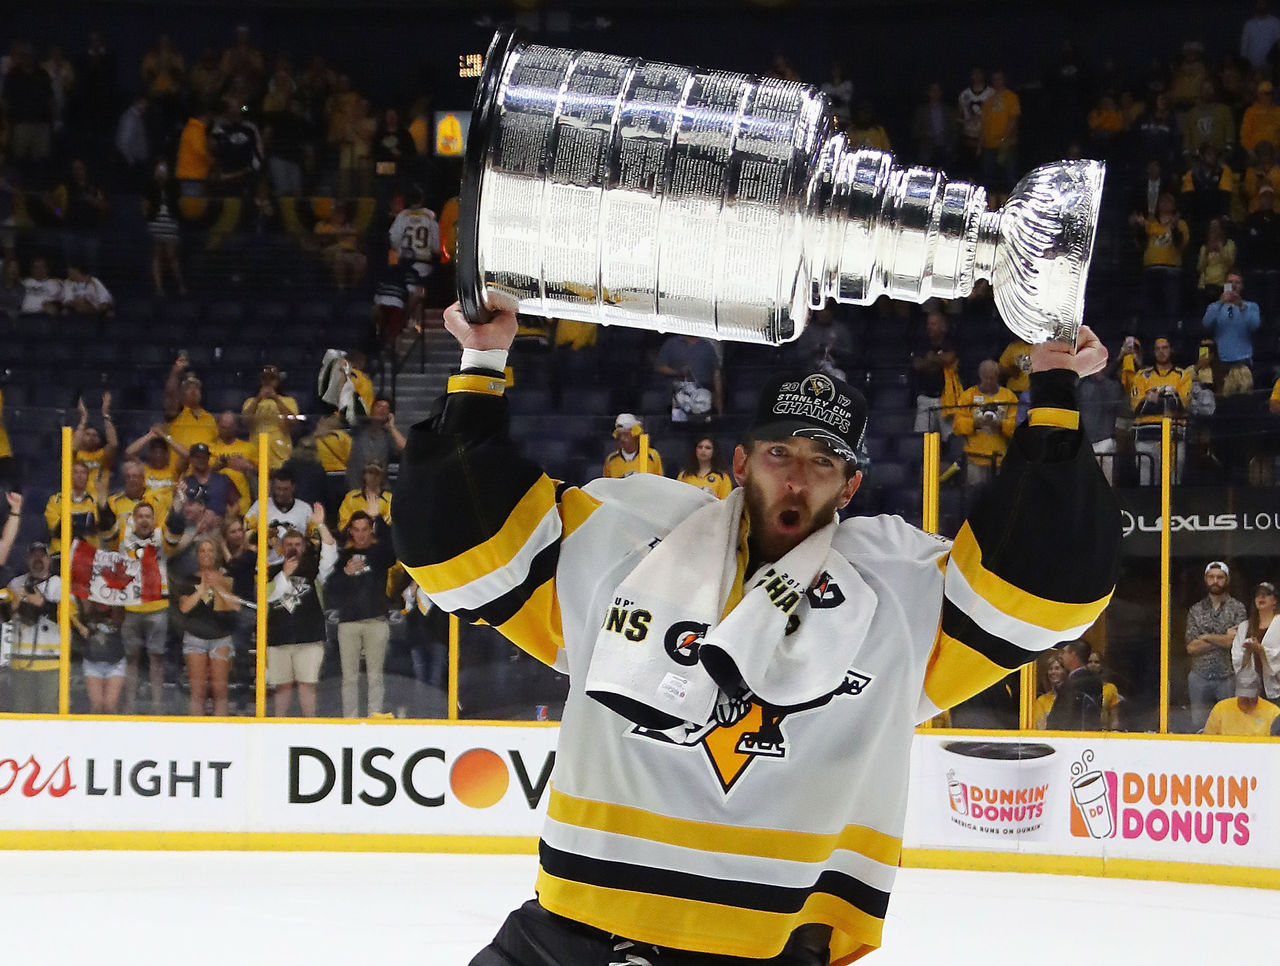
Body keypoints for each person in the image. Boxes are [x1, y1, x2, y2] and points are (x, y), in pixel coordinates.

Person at [392, 299, 1118, 965]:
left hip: (768, 944)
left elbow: (1043, 591)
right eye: (780, 455)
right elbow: (461, 547)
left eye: (823, 462)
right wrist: (483, 361)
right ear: (741, 463)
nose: (798, 481)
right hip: (583, 926)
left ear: (851, 487)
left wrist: (1053, 391)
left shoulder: (893, 592)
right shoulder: (629, 538)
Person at [266, 507, 335, 717]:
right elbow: (268, 596)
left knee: (307, 687)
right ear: (281, 547)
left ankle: (310, 727)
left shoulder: (315, 569)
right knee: (282, 688)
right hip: (279, 638)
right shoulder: (271, 570)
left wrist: (321, 524)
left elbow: (330, 551)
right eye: (289, 544)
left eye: (297, 544)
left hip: (309, 638)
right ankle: (278, 728)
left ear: (304, 547)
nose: (293, 548)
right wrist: (284, 574)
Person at [327, 510, 395, 718]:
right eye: (356, 530)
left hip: (376, 621)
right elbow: (331, 588)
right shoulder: (342, 557)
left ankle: (374, 717)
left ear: (370, 530)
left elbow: (393, 551)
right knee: (349, 677)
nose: (361, 534)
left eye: (365, 529)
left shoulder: (379, 553)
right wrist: (345, 574)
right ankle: (351, 719)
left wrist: (379, 520)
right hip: (348, 623)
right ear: (350, 531)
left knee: (376, 676)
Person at [176, 536, 240, 716]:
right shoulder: (189, 579)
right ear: (197, 555)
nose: (206, 554)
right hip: (195, 638)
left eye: (210, 550)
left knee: (220, 692)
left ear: (216, 555)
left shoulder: (225, 576)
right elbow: (184, 607)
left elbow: (235, 606)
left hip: (221, 638)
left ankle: (221, 734)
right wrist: (202, 589)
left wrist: (217, 586)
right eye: (202, 551)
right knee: (198, 692)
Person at [1185, 560, 1248, 732]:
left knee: (1229, 724)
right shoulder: (1195, 610)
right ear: (1206, 579)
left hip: (1227, 676)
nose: (1215, 581)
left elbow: (1235, 642)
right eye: (1211, 577)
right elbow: (1191, 647)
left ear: (1227, 580)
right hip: (1199, 676)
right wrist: (1222, 638)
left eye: (1220, 577)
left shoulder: (1237, 608)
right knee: (1199, 726)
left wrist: (1206, 637)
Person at [6, 541, 61, 713]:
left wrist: (42, 604)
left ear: (49, 559)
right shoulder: (15, 584)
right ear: (26, 559)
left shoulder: (60, 584)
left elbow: (69, 618)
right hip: (20, 662)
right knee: (21, 712)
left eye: (42, 555)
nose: (38, 559)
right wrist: (15, 604)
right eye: (33, 555)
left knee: (48, 713)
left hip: (50, 664)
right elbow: (3, 616)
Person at [1130, 337, 1191, 485]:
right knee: (1146, 483)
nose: (1161, 352)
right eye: (1158, 349)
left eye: (1165, 348)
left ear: (1171, 350)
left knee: (1172, 483)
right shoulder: (1142, 375)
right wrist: (1167, 396)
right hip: (1145, 437)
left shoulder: (1182, 375)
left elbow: (1182, 407)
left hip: (1173, 437)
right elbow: (1137, 408)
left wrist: (1154, 399)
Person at [951, 360, 1018, 488]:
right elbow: (957, 426)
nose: (988, 381)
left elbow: (1016, 427)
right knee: (975, 497)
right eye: (985, 378)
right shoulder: (968, 396)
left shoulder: (1009, 397)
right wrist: (975, 423)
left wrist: (1000, 424)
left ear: (997, 377)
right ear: (980, 376)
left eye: (992, 378)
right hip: (974, 459)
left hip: (999, 458)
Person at [909, 307, 960, 439]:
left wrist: (931, 359)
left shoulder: (951, 341)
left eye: (934, 324)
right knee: (922, 438)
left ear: (943, 326)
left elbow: (950, 358)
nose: (930, 327)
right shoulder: (922, 343)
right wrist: (938, 361)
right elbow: (917, 365)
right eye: (928, 324)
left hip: (945, 399)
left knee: (950, 438)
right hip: (925, 397)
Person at [245, 467, 312, 562]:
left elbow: (315, 539)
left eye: (285, 489)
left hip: (295, 565)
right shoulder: (260, 506)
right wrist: (261, 535)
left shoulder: (305, 509)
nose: (281, 493)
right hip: (265, 566)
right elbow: (244, 532)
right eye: (278, 488)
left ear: (293, 487)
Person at [1201, 269, 1260, 372]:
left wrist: (1242, 307)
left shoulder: (1251, 306)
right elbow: (1206, 324)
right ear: (1225, 285)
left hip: (1243, 360)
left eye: (1237, 282)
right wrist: (1221, 302)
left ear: (1242, 286)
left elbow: (1255, 326)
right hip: (1221, 361)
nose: (1234, 285)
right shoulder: (1214, 307)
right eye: (1230, 282)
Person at [1231, 580, 1280, 703]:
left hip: (1276, 692)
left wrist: (1262, 652)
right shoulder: (1244, 627)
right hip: (1251, 693)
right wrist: (1248, 652)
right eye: (1258, 594)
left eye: (1266, 594)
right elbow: (1236, 658)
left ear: (1274, 601)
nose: (1261, 597)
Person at [242, 364, 299, 468]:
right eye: (264, 379)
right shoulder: (250, 401)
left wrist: (276, 399)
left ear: (278, 381)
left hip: (280, 456)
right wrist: (258, 399)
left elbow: (293, 422)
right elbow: (244, 421)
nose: (268, 382)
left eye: (272, 378)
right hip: (256, 457)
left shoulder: (289, 401)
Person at [655, 334, 723, 421]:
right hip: (679, 395)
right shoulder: (672, 343)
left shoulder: (707, 346)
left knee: (703, 427)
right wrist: (677, 372)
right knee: (679, 426)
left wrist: (718, 398)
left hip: (703, 397)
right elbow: (659, 367)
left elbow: (716, 373)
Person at [75, 601, 126, 714]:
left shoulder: (119, 606)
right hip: (92, 660)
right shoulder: (87, 606)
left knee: (110, 705)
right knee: (96, 705)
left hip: (115, 661)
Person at [345, 397, 405, 490]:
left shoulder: (389, 436)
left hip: (379, 492)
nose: (382, 410)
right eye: (379, 406)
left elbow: (405, 449)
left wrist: (392, 427)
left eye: (386, 408)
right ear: (371, 409)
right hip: (355, 491)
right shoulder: (358, 429)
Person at [1045, 640, 1103, 731]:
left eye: (1064, 652)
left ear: (1073, 655)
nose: (1061, 656)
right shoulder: (1091, 679)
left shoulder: (1078, 683)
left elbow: (1064, 718)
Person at [164, 356, 217, 450]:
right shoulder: (176, 413)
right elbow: (171, 394)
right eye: (188, 387)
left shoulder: (210, 419)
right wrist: (175, 372)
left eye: (196, 387)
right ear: (181, 391)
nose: (193, 391)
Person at [72, 393, 118, 496]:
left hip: (98, 500)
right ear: (82, 436)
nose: (92, 437)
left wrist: (106, 414)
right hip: (75, 499)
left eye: (95, 435)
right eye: (88, 434)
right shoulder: (76, 456)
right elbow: (72, 448)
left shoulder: (102, 456)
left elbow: (113, 444)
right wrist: (83, 419)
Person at [1204, 677, 1280, 735]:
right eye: (1243, 696)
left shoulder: (1273, 712)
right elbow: (1207, 740)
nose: (1247, 700)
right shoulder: (1221, 708)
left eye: (1251, 696)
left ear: (1258, 694)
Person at [602, 412, 663, 479]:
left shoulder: (652, 456)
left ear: (636, 436)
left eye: (626, 435)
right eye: (620, 435)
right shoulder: (611, 459)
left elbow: (659, 483)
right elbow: (606, 486)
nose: (622, 439)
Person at [337, 460, 392, 532]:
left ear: (382, 477)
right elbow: (342, 527)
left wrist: (376, 518)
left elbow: (391, 530)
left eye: (377, 474)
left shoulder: (390, 499)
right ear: (364, 475)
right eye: (370, 473)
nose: (373, 477)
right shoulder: (351, 498)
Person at [1032, 651, 1066, 729]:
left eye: (1057, 668)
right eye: (1050, 669)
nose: (1053, 672)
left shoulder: (1071, 697)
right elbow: (1040, 726)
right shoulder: (1041, 701)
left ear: (1064, 671)